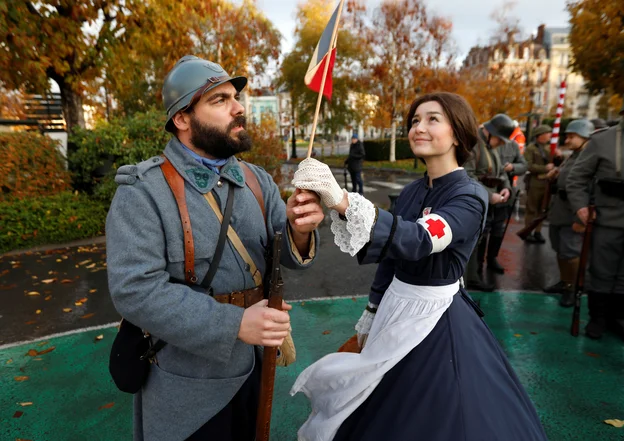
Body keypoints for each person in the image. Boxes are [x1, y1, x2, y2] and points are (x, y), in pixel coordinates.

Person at [290, 92, 547, 441]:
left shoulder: (470, 196)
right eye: (414, 121)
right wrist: (372, 309)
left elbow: (419, 240)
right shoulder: (412, 192)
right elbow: (391, 255)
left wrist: (343, 200)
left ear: (457, 133)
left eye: (432, 119)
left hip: (437, 317)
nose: (418, 128)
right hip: (394, 308)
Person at [105, 55, 323, 441]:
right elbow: (135, 290)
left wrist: (299, 228)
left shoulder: (256, 181)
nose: (238, 107)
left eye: (235, 97)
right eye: (219, 100)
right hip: (190, 389)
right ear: (183, 119)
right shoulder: (143, 191)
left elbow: (288, 258)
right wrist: (235, 323)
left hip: (257, 372)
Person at [566, 83, 624, 345]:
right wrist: (581, 207)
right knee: (602, 271)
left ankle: (618, 319)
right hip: (609, 217)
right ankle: (597, 318)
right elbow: (577, 179)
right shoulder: (602, 140)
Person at [544, 119, 594, 306]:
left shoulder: (590, 158)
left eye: (572, 136)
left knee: (571, 252)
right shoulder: (573, 156)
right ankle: (565, 282)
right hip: (560, 210)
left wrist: (581, 219)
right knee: (560, 249)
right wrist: (556, 173)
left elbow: (590, 190)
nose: (568, 139)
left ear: (585, 137)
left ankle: (573, 289)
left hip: (574, 212)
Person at [463, 114, 515, 290]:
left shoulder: (492, 147)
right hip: (476, 200)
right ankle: (470, 279)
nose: (501, 144)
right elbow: (466, 175)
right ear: (490, 132)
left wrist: (506, 187)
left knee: (480, 238)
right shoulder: (474, 145)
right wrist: (488, 195)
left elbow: (500, 172)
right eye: (500, 140)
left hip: (490, 201)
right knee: (473, 240)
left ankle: (474, 275)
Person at [478, 137, 528, 273]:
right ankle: (478, 263)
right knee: (483, 228)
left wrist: (512, 168)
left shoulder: (513, 146)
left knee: (498, 228)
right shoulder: (483, 144)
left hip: (504, 189)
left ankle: (492, 258)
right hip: (486, 189)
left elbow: (524, 165)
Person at [523, 124, 555, 243]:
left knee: (542, 209)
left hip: (546, 182)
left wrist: (558, 155)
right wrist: (544, 168)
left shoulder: (549, 148)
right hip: (535, 182)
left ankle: (537, 231)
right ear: (540, 135)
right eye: (547, 133)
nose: (550, 136)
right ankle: (528, 231)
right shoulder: (531, 148)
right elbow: (528, 165)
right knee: (532, 208)